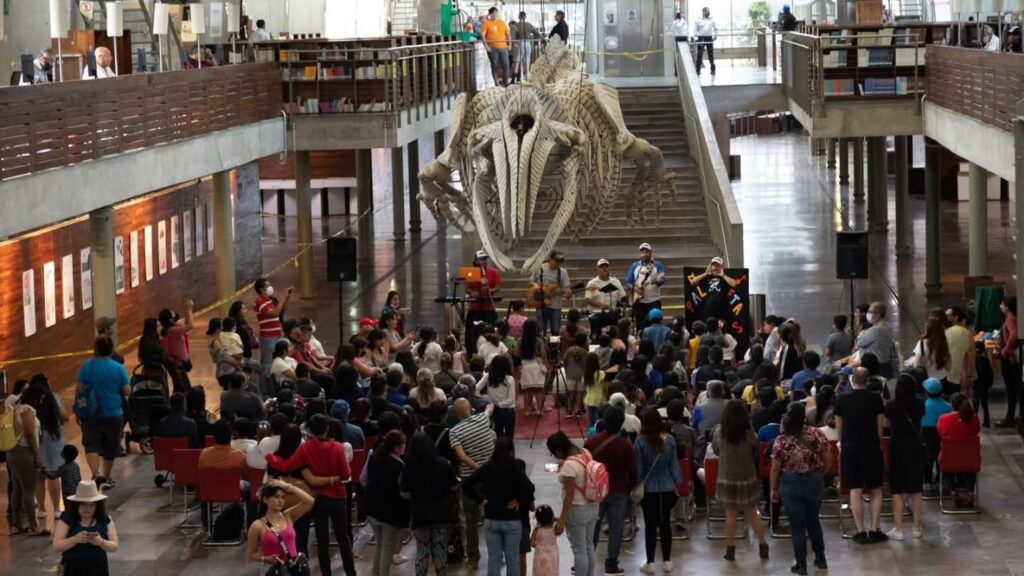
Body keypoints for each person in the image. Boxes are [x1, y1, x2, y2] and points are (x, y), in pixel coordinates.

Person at [265, 414, 357, 576]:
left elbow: (288, 465)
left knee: (322, 541)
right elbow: (346, 474)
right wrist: (334, 479)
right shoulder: (337, 447)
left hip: (319, 498)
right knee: (343, 538)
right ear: (327, 429)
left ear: (310, 430)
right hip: (338, 497)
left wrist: (270, 458)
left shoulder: (305, 447)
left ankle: (326, 573)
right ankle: (351, 573)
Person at [769, 402, 831, 575]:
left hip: (790, 483)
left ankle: (801, 564)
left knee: (797, 525)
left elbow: (775, 468)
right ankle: (820, 558)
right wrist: (820, 474)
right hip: (814, 481)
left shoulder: (781, 440)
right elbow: (829, 457)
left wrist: (773, 488)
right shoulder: (816, 434)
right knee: (813, 520)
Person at [464, 437, 535, 576]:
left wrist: (481, 499)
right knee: (512, 560)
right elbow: (529, 487)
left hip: (492, 518)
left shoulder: (488, 467)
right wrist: (518, 500)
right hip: (512, 519)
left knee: (494, 559)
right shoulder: (515, 466)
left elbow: (467, 484)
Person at [834, 367, 887, 544]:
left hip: (850, 447)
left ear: (852, 380)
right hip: (871, 447)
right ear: (867, 380)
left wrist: (842, 444)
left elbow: (839, 428)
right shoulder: (875, 399)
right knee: (876, 488)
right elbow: (880, 427)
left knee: (854, 489)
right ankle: (874, 528)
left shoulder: (842, 399)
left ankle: (860, 530)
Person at [713, 399, 769, 561]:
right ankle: (763, 545)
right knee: (752, 512)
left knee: (730, 514)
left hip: (727, 476)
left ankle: (730, 549)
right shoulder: (749, 431)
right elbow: (754, 446)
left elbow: (716, 450)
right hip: (746, 475)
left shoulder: (720, 431)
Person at [583, 407, 635, 575]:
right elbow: (633, 471)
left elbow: (584, 466)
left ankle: (586, 560)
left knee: (593, 526)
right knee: (616, 528)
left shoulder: (591, 442)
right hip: (618, 490)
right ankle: (611, 563)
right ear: (621, 423)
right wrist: (628, 489)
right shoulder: (625, 444)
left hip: (596, 491)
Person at [74, 337, 130, 490]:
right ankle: (106, 477)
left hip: (91, 414)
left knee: (91, 444)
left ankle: (95, 473)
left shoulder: (86, 366)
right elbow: (127, 391)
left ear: (95, 349)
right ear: (111, 350)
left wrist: (79, 411)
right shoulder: (118, 368)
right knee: (110, 446)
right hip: (113, 413)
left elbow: (79, 390)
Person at [400, 431, 458, 575]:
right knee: (440, 549)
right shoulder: (443, 463)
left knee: (422, 550)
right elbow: (454, 486)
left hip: (420, 514)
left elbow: (404, 494)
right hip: (441, 513)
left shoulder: (408, 468)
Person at [449, 398, 496, 569]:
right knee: (494, 516)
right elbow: (489, 410)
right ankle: (497, 554)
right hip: (490, 476)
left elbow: (461, 457)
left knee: (471, 520)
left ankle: (473, 558)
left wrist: (476, 469)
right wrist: (491, 404)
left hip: (469, 481)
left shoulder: (454, 432)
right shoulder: (483, 419)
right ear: (471, 409)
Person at [634, 408, 683, 574]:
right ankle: (667, 561)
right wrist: (677, 483)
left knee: (650, 525)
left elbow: (639, 469)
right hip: (668, 487)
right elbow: (674, 465)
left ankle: (650, 562)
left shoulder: (640, 442)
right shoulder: (669, 440)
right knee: (665, 524)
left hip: (649, 489)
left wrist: (636, 483)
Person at [546, 431, 599, 576]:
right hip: (593, 505)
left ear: (557, 451)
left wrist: (562, 519)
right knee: (588, 545)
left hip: (577, 509)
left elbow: (569, 496)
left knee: (579, 549)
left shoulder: (569, 465)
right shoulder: (585, 452)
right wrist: (551, 467)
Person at [885, 375, 926, 541]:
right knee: (916, 489)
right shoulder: (919, 404)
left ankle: (899, 529)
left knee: (897, 489)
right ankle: (917, 527)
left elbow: (887, 424)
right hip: (915, 447)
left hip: (897, 448)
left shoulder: (891, 405)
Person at [365, 430, 410, 576]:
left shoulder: (374, 458)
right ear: (397, 448)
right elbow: (403, 493)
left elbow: (362, 479)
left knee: (380, 543)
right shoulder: (399, 467)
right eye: (403, 445)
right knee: (388, 547)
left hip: (372, 508)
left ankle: (376, 572)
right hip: (390, 513)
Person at [246, 479, 314, 572]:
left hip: (293, 568)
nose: (280, 500)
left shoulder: (288, 515)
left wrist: (288, 487)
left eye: (283, 497)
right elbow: (251, 554)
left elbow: (309, 501)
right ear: (266, 499)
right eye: (276, 497)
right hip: (273, 570)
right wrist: (266, 559)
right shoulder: (257, 525)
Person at [52, 481, 118, 575]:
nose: (88, 509)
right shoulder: (67, 518)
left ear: (97, 505)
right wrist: (75, 539)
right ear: (76, 504)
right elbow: (56, 546)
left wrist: (101, 542)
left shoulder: (104, 519)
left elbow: (114, 546)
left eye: (92, 505)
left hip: (97, 567)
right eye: (83, 504)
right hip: (73, 567)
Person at [9, 381, 42, 535]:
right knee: (29, 490)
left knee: (17, 489)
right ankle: (33, 526)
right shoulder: (28, 409)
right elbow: (29, 432)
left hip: (12, 452)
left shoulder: (15, 408)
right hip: (25, 452)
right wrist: (36, 454)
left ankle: (16, 524)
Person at [936, 393, 981, 500]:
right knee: (967, 469)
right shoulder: (974, 419)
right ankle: (969, 490)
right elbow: (976, 431)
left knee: (947, 468)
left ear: (952, 405)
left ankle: (951, 490)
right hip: (970, 460)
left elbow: (940, 433)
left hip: (949, 460)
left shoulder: (943, 419)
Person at [466, 251, 502, 354]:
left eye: (485, 259)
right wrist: (472, 292)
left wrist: (489, 291)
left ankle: (494, 349)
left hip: (488, 307)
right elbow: (467, 289)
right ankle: (471, 351)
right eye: (481, 260)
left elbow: (497, 287)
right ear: (476, 261)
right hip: (475, 307)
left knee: (492, 328)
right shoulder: (471, 272)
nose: (484, 262)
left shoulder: (492, 272)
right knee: (471, 331)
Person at [254, 278, 293, 371]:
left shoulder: (270, 300)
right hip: (268, 337)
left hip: (277, 335)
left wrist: (287, 297)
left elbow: (282, 309)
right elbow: (274, 313)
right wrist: (283, 298)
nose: (270, 287)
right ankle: (265, 382)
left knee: (277, 359)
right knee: (267, 362)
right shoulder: (259, 301)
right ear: (261, 289)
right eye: (267, 285)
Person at [530, 251, 572, 335]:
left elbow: (566, 288)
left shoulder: (563, 272)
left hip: (555, 306)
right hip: (541, 305)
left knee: (556, 330)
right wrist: (538, 288)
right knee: (541, 330)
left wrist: (567, 294)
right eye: (556, 261)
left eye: (559, 262)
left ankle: (554, 347)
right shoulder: (540, 268)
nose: (557, 264)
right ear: (550, 259)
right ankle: (542, 346)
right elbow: (531, 281)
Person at [626, 243, 666, 331]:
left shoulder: (658, 265)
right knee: (640, 326)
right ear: (640, 254)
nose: (645, 254)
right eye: (643, 252)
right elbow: (628, 282)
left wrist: (655, 281)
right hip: (639, 301)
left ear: (651, 253)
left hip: (654, 301)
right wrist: (635, 288)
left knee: (655, 325)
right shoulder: (635, 266)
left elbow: (662, 280)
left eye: (647, 251)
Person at [921, 377, 952, 487]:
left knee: (927, 459)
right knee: (941, 456)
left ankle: (927, 481)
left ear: (926, 392)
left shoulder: (923, 405)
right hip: (942, 436)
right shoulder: (948, 406)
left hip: (926, 435)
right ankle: (940, 479)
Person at [995, 296, 1021, 428]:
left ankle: (1009, 417)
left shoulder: (1010, 318)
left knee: (1011, 389)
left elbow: (1014, 334)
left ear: (1007, 306)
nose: (1000, 306)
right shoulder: (1016, 317)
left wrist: (1004, 350)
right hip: (1015, 360)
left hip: (1009, 360)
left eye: (1002, 303)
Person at [585, 258, 626, 340]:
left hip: (612, 312)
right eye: (601, 267)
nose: (604, 268)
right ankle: (596, 340)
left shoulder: (615, 282)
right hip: (597, 313)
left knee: (622, 321)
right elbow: (588, 299)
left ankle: (619, 343)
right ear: (597, 269)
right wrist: (600, 305)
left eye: (606, 266)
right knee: (595, 321)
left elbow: (622, 297)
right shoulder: (592, 283)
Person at [476, 355, 516, 438]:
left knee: (497, 434)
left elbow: (476, 388)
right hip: (508, 410)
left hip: (493, 408)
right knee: (509, 435)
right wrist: (499, 404)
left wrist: (482, 399)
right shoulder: (509, 379)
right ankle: (509, 450)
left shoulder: (488, 376)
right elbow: (511, 399)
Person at [854, 302, 895, 377]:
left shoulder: (876, 330)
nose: (868, 314)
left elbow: (859, 342)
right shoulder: (887, 326)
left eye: (870, 312)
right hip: (885, 365)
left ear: (878, 315)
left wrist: (862, 333)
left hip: (875, 367)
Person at [909, 315, 951, 384]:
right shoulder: (945, 343)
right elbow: (949, 367)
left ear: (927, 329)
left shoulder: (922, 343)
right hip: (943, 380)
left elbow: (916, 364)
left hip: (927, 380)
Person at [519, 319, 548, 416]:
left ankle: (527, 410)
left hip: (525, 365)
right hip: (536, 365)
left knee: (527, 390)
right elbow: (543, 354)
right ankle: (539, 409)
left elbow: (517, 353)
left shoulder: (520, 340)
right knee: (538, 389)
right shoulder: (539, 340)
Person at [945, 306, 975, 399]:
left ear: (956, 318)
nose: (946, 317)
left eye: (948, 315)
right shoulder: (967, 332)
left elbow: (970, 355)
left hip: (949, 374)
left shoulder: (946, 332)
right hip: (960, 375)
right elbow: (971, 354)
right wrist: (970, 374)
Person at [481, 7, 511, 86]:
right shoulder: (486, 23)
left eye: (496, 13)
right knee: (494, 66)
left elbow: (508, 34)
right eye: (493, 13)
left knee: (506, 65)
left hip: (503, 47)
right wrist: (486, 46)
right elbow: (482, 35)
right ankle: (496, 82)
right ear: (490, 14)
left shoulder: (502, 23)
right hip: (493, 48)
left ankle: (505, 82)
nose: (495, 15)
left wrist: (509, 44)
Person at [510, 11, 541, 82]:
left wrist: (513, 45)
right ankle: (527, 79)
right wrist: (532, 39)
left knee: (516, 62)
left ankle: (513, 80)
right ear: (525, 17)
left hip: (518, 43)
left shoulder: (514, 26)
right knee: (526, 62)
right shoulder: (529, 25)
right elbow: (538, 34)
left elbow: (513, 37)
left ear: (518, 17)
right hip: (527, 43)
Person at [531, 505, 559, 576]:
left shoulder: (536, 530)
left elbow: (532, 544)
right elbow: (566, 522)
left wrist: (538, 545)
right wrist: (556, 519)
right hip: (553, 557)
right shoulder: (554, 529)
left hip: (540, 558)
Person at [582, 352, 606, 429]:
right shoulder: (600, 373)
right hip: (599, 399)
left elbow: (584, 387)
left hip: (589, 399)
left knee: (590, 421)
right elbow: (603, 387)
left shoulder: (585, 374)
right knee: (598, 420)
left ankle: (591, 436)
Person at [694, 7, 718, 75]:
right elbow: (695, 30)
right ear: (704, 12)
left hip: (709, 38)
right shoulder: (698, 20)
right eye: (707, 11)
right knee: (699, 54)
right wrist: (696, 39)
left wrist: (716, 36)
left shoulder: (711, 19)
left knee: (710, 55)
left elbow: (716, 28)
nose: (708, 12)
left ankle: (713, 70)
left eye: (709, 11)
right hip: (701, 38)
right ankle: (698, 70)